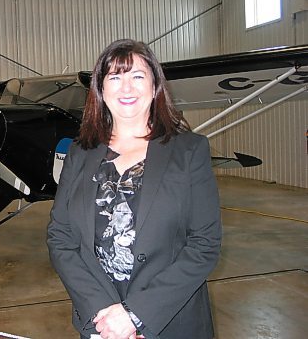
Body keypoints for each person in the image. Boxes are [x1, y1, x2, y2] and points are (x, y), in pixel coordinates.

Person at [47, 39, 222, 339]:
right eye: (115, 77)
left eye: (137, 76)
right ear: (100, 90)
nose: (126, 88)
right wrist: (102, 313)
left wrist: (137, 314)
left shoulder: (190, 150)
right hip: (100, 325)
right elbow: (60, 237)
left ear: (155, 86)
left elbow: (204, 244)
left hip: (171, 322)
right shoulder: (80, 153)